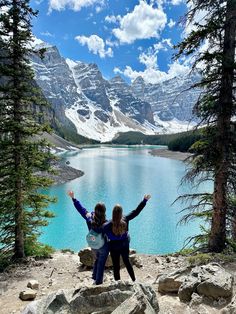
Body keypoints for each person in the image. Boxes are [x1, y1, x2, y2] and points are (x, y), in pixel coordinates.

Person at [103, 194, 151, 282]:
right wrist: (144, 200)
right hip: (124, 244)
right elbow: (136, 212)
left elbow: (101, 229)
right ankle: (134, 280)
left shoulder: (108, 224)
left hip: (113, 246)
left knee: (116, 265)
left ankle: (117, 282)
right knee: (127, 262)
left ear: (113, 212)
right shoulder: (125, 219)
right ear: (121, 212)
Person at [67, 191, 109, 285]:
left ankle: (94, 276)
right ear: (104, 211)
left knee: (96, 259)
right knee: (101, 263)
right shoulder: (106, 223)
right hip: (103, 246)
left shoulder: (89, 217)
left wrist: (73, 198)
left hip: (93, 243)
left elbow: (81, 209)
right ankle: (98, 282)